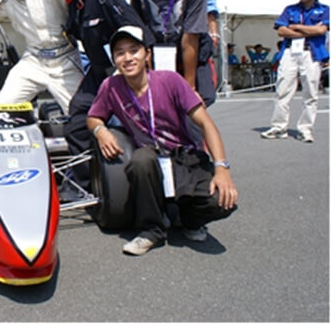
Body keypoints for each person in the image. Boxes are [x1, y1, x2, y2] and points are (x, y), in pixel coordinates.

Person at [87, 26, 238, 256]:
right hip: (150, 158)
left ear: (147, 54)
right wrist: (101, 131)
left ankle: (188, 220)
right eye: (120, 53)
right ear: (114, 59)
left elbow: (206, 124)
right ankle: (152, 230)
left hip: (182, 156)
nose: (127, 58)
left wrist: (221, 169)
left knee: (222, 201)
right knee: (141, 159)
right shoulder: (111, 87)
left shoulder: (170, 80)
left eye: (134, 50)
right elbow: (93, 117)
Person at [43, 0, 153, 174]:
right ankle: (85, 183)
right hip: (98, 72)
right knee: (77, 122)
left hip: (125, 72)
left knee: (130, 129)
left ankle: (133, 179)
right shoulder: (74, 0)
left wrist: (137, 76)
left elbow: (140, 34)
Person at [261, 0, 329, 143]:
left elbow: (321, 30)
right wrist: (309, 30)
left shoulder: (324, 9)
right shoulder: (290, 9)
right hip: (290, 51)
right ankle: (279, 126)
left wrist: (296, 27)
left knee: (311, 92)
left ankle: (306, 129)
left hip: (311, 53)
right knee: (282, 89)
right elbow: (281, 31)